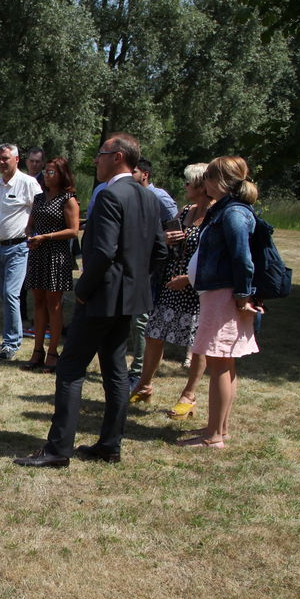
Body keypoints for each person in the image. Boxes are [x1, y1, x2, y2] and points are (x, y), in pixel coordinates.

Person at [14, 132, 166, 468]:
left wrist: (82, 292)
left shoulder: (112, 196)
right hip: (128, 300)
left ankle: (57, 450)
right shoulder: (148, 197)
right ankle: (110, 445)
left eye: (100, 154)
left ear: (117, 157)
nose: (95, 160)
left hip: (101, 298)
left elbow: (102, 253)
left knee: (69, 369)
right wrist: (135, 284)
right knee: (115, 371)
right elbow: (160, 251)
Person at [177, 156, 262, 449]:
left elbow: (242, 257)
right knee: (224, 362)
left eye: (209, 178)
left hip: (224, 295)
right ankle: (219, 428)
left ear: (221, 182)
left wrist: (241, 295)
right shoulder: (225, 210)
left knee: (220, 365)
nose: (204, 183)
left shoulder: (234, 213)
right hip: (219, 293)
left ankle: (213, 436)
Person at [129, 163, 213, 417]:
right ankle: (144, 386)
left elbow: (213, 255)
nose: (185, 186)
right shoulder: (187, 210)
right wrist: (168, 239)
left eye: (188, 182)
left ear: (201, 185)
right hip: (170, 282)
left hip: (195, 288)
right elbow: (171, 235)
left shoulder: (216, 214)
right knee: (154, 333)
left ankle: (189, 395)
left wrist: (188, 279)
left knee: (197, 342)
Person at [0, 144, 42, 360]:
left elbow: (40, 209)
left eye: (5, 158)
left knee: (11, 294)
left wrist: (32, 233)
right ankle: (8, 338)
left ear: (16, 159)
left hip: (18, 247)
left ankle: (12, 343)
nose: (1, 162)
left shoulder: (28, 183)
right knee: (5, 295)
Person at [22, 157, 80, 373]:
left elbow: (73, 230)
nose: (46, 175)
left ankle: (53, 352)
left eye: (51, 172)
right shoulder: (38, 198)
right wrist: (30, 234)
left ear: (62, 174)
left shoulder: (68, 199)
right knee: (37, 303)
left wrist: (47, 236)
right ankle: (37, 351)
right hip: (37, 253)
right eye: (45, 172)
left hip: (56, 255)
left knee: (53, 305)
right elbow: (30, 225)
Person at [127, 158, 180, 386]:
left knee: (142, 319)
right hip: (138, 264)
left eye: (135, 171)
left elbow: (177, 230)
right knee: (137, 318)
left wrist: (163, 241)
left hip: (154, 268)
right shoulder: (132, 195)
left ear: (145, 174)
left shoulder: (159, 198)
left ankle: (138, 370)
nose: (131, 175)